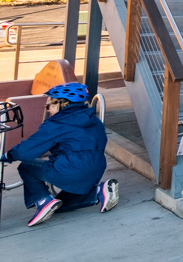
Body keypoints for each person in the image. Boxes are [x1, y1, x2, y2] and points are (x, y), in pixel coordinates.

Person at [1, 82, 117, 226]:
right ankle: (99, 191)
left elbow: (27, 151)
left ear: (62, 104)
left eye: (49, 105)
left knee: (26, 167)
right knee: (59, 206)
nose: (48, 110)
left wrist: (8, 155)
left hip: (69, 169)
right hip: (96, 168)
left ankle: (42, 200)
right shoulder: (93, 119)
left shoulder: (57, 123)